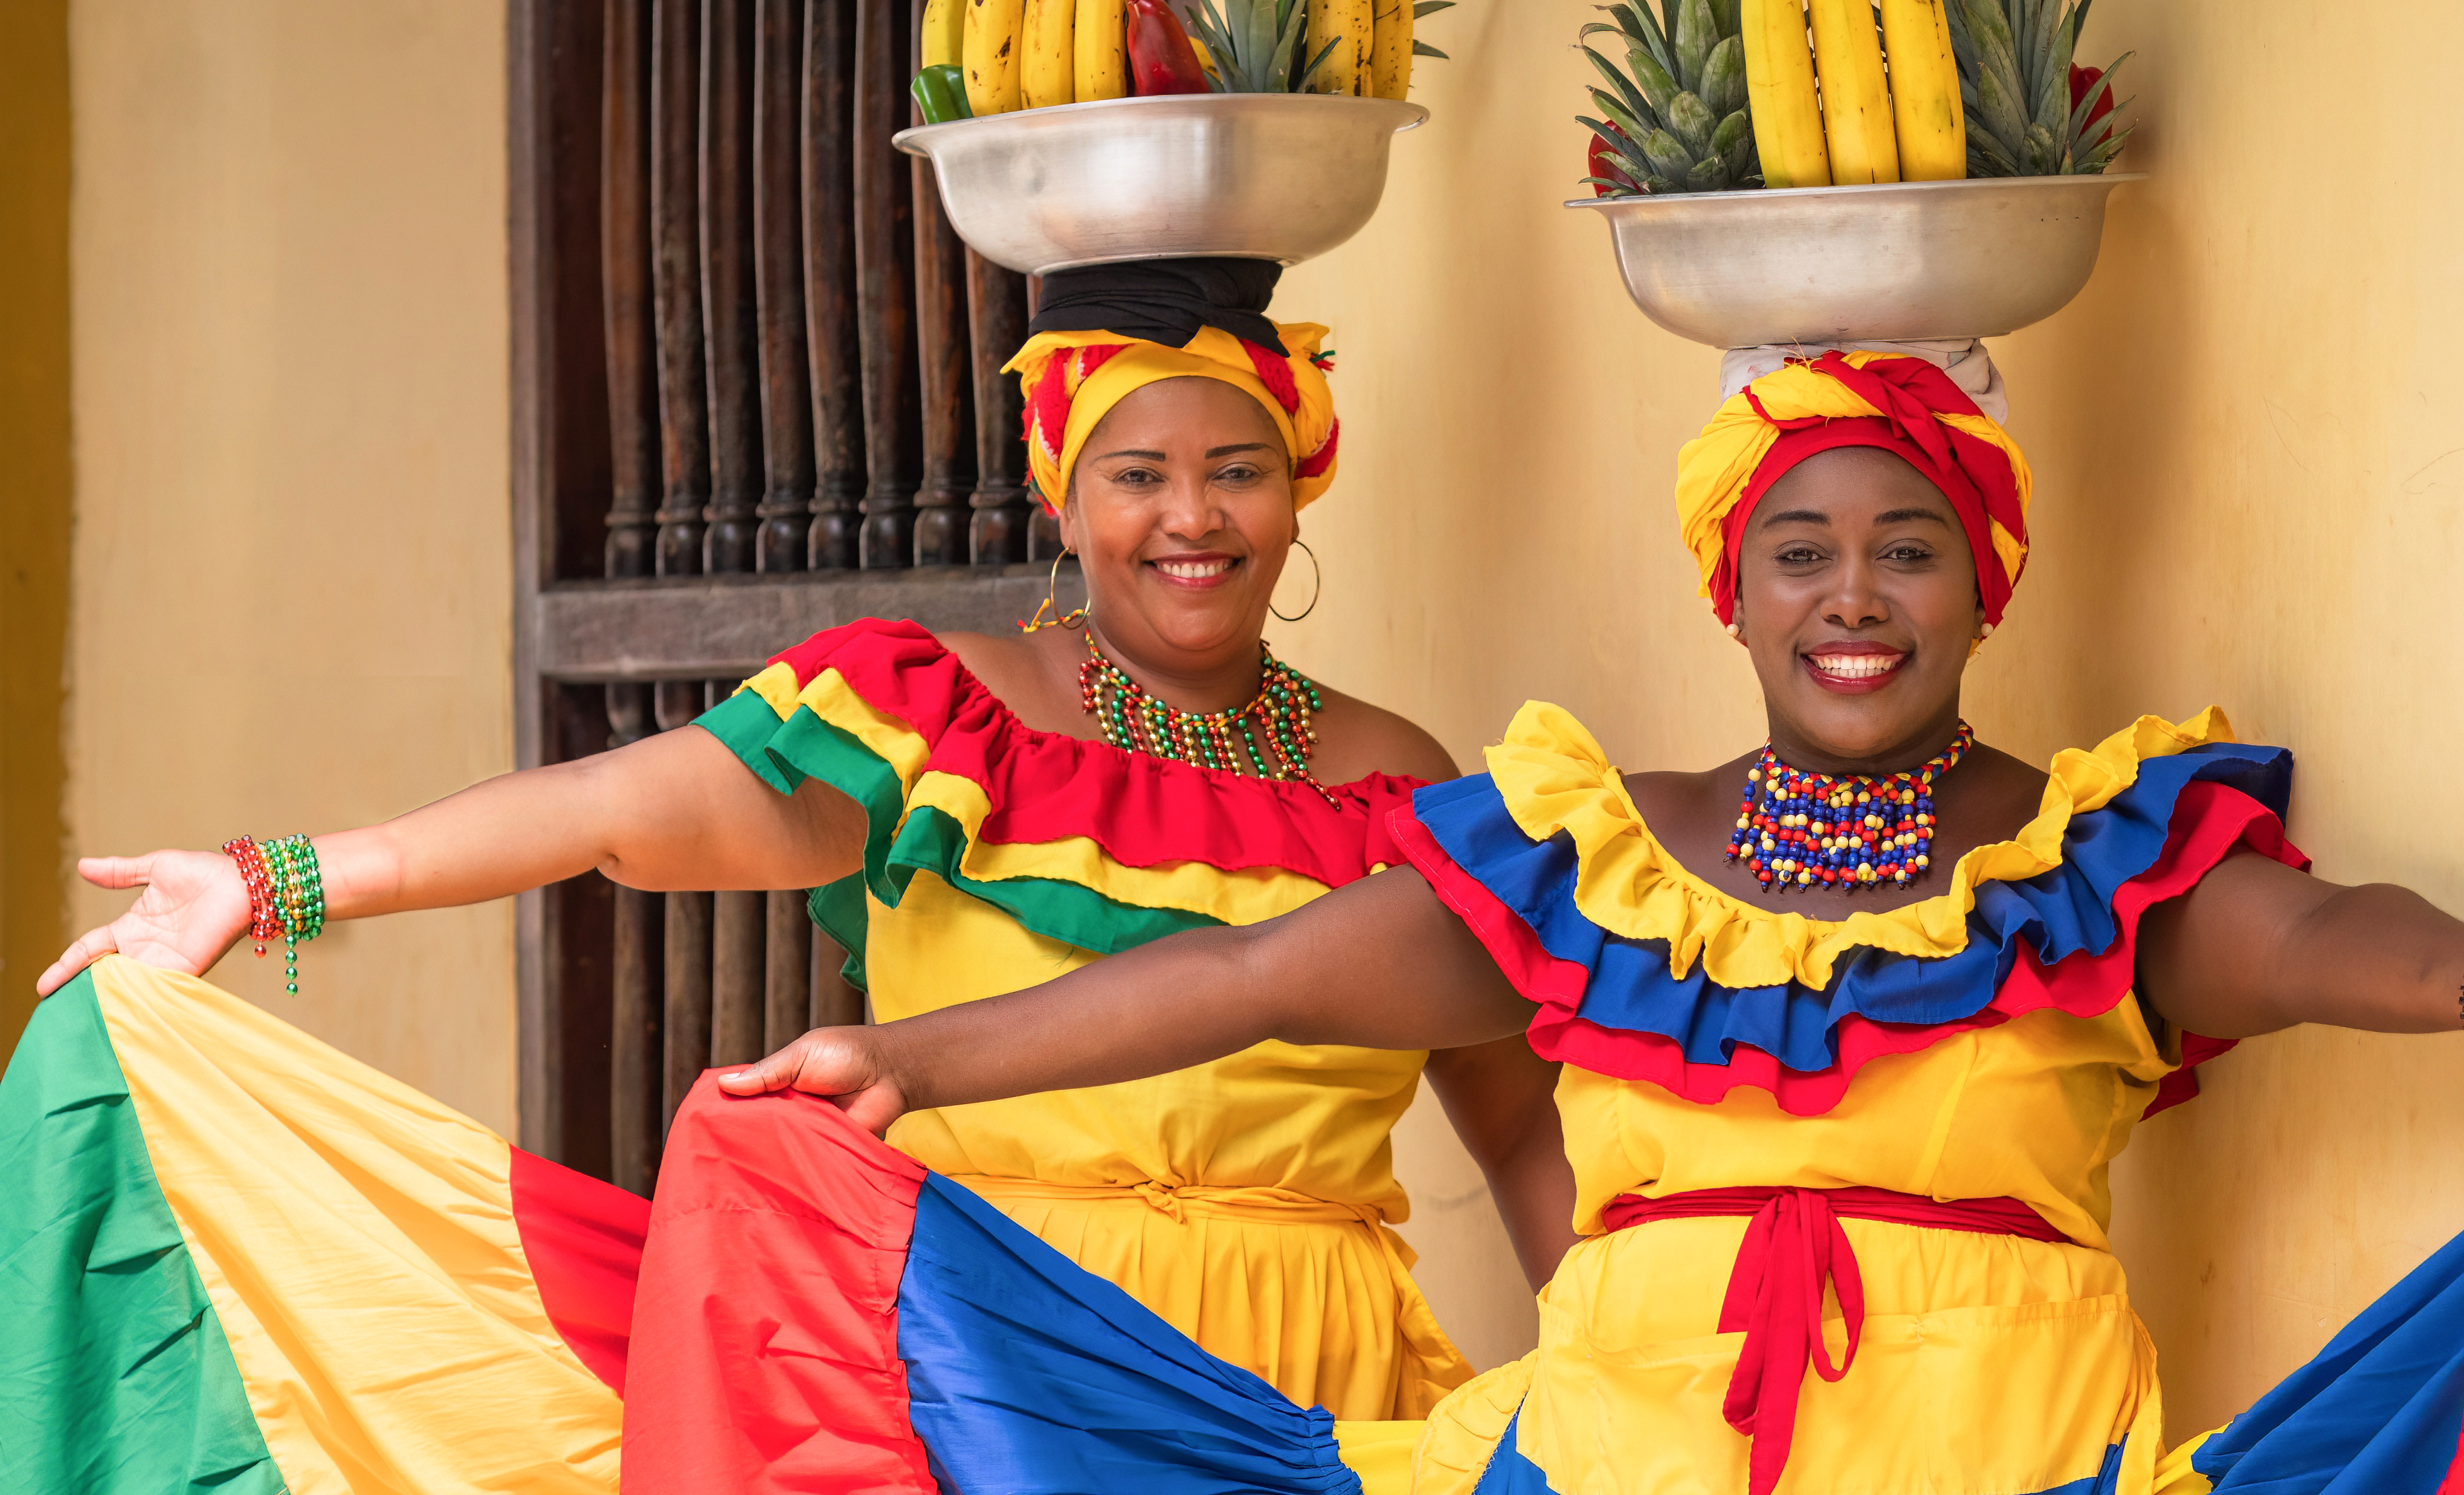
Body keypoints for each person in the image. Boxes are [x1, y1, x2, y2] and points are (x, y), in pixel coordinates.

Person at [621, 349, 2464, 1495]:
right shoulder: (1587, 861)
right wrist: (898, 1054)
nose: (1847, 593)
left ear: (1980, 581)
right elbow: (1249, 975)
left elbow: (2290, 926)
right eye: (1797, 547)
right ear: (1727, 591)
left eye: (1903, 545)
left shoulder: (2076, 856)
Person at [36, 257, 1575, 1416]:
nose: (1192, 517)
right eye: (1138, 474)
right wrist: (277, 875)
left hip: (1324, 1412)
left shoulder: (1397, 778)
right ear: (1064, 492)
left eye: (1236, 470)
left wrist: (1627, 1385)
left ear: (1298, 489)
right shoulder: (942, 716)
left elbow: (1512, 1122)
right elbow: (609, 814)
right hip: (1006, 1383)